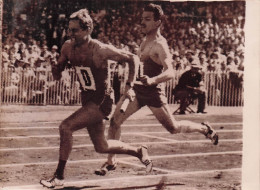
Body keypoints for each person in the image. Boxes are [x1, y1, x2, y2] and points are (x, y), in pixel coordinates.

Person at [95, 3, 219, 176]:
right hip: (138, 92)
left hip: (153, 94)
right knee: (115, 122)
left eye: (147, 19)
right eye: (142, 19)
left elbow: (170, 72)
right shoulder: (145, 40)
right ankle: (111, 162)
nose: (142, 22)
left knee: (173, 128)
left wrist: (153, 80)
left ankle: (204, 129)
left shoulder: (161, 45)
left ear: (158, 23)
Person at [40, 9, 152, 188]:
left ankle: (59, 177)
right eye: (69, 30)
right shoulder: (67, 47)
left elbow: (133, 58)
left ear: (87, 30)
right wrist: (55, 67)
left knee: (66, 127)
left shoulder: (100, 50)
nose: (71, 34)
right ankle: (139, 151)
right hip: (87, 99)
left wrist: (130, 85)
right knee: (102, 146)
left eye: (75, 30)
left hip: (102, 100)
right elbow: (57, 76)